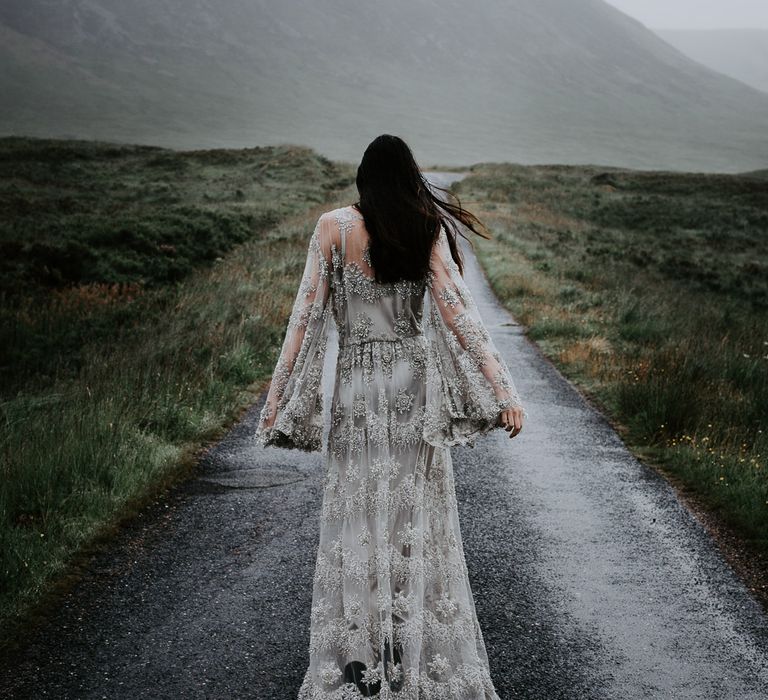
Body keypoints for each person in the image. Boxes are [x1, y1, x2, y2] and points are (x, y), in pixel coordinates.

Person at [254, 134, 526, 699]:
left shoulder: (332, 227)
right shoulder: (423, 227)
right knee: (411, 521)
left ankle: (360, 663)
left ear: (362, 178)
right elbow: (459, 314)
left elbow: (303, 319)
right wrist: (504, 390)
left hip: (355, 391)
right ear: (408, 178)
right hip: (413, 391)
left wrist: (278, 399)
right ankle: (407, 652)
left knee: (357, 519)